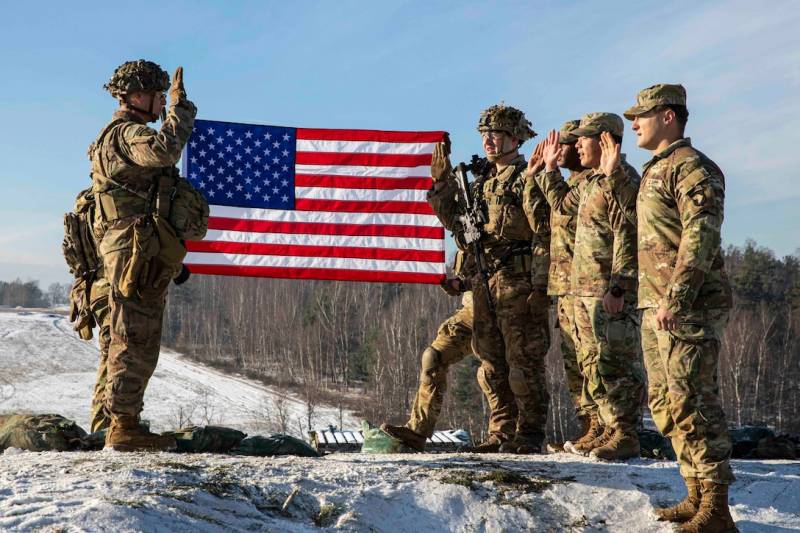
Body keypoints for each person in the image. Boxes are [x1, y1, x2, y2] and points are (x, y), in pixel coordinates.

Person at [613, 83, 736, 532]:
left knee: (694, 401)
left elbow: (700, 237)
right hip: (656, 306)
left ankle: (717, 508)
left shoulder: (693, 169)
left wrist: (678, 297)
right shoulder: (655, 170)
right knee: (667, 404)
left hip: (686, 307)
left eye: (641, 115)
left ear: (669, 116)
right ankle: (696, 493)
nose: (634, 124)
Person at [427, 104, 551, 454]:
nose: (489, 140)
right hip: (485, 284)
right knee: (491, 364)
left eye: (496, 133)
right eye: (485, 134)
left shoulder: (527, 178)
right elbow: (461, 228)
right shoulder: (479, 183)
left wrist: (541, 287)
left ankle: (528, 434)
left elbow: (545, 234)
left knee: (523, 364)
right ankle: (501, 430)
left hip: (519, 284)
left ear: (515, 138)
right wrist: (442, 184)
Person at [89, 59, 198, 451]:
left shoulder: (111, 136)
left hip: (134, 248)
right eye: (156, 95)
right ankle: (123, 426)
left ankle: (116, 421)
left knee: (126, 334)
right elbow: (163, 150)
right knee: (136, 336)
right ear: (137, 95)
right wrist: (180, 110)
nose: (159, 102)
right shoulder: (127, 134)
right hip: (133, 251)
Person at [534, 112, 645, 460]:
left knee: (614, 363)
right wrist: (548, 170)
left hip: (605, 288)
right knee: (593, 364)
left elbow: (628, 231)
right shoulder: (591, 183)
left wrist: (620, 285)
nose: (577, 144)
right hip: (582, 288)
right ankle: (602, 428)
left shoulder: (622, 178)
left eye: (584, 138)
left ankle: (624, 433)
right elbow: (561, 207)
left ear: (606, 140)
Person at [525, 120, 594, 451]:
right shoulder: (565, 185)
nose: (560, 150)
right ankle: (589, 427)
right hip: (565, 286)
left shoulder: (586, 185)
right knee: (574, 364)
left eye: (565, 145)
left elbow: (566, 211)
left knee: (593, 360)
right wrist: (533, 176)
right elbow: (540, 219)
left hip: (585, 286)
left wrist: (549, 171)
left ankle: (606, 426)